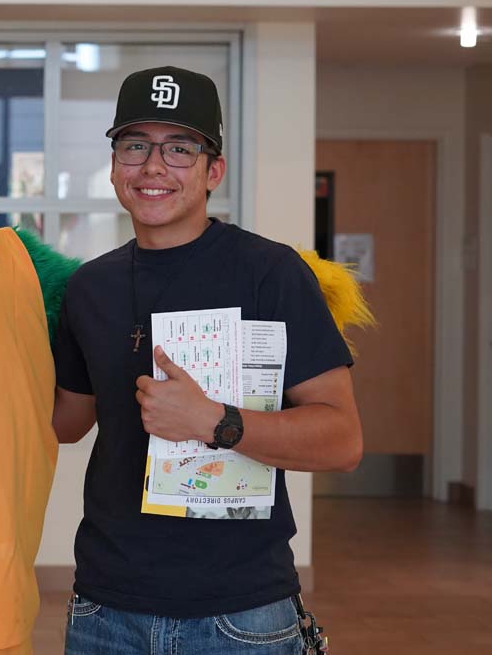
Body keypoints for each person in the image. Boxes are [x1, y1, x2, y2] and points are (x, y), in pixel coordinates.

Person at [51, 67, 363, 654]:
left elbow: (343, 440)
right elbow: (66, 421)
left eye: (179, 148)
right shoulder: (90, 287)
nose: (152, 166)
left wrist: (215, 421)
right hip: (104, 608)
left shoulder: (271, 273)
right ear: (115, 164)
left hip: (241, 615)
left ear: (213, 169)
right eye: (135, 145)